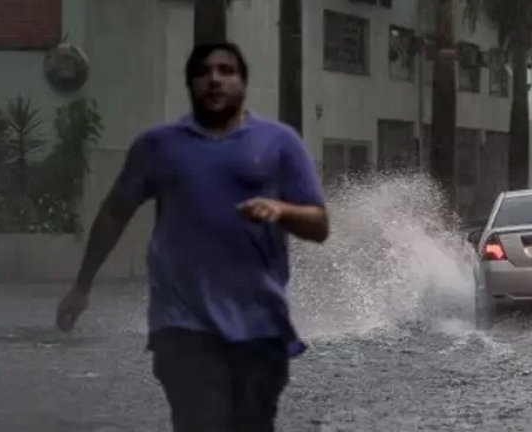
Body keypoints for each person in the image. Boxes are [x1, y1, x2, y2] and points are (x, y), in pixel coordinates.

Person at [55, 42, 329, 432]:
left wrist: (282, 210)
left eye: (226, 70)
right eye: (203, 71)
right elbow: (115, 212)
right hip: (181, 324)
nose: (214, 79)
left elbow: (319, 224)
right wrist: (82, 286)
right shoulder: (158, 146)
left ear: (243, 82)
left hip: (259, 326)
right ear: (190, 84)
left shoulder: (280, 142)